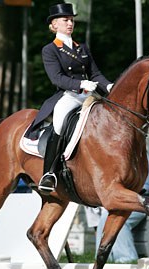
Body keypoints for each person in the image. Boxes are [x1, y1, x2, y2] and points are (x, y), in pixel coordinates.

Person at [30, 3, 113, 193]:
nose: (70, 23)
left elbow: (95, 73)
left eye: (72, 20)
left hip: (89, 95)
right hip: (69, 95)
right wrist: (80, 84)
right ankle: (49, 172)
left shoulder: (81, 47)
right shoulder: (50, 50)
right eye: (65, 20)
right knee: (59, 123)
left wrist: (109, 86)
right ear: (54, 24)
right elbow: (56, 78)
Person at [95, 153, 149, 263]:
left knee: (121, 220)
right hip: (126, 203)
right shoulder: (130, 164)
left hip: (145, 206)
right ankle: (102, 258)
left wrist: (124, 194)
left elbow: (148, 188)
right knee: (104, 218)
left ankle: (126, 258)